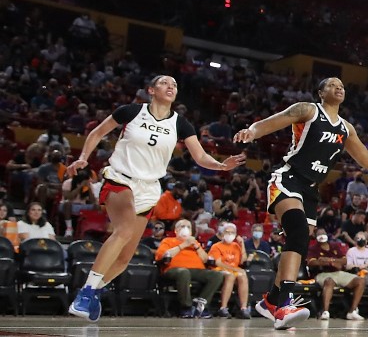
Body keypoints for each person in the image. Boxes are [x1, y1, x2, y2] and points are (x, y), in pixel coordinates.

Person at [232, 77, 368, 330]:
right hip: (289, 177)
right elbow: (273, 121)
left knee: (300, 242)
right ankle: (283, 304)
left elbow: (366, 160)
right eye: (332, 84)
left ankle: (271, 301)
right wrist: (252, 131)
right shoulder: (309, 110)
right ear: (321, 92)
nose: (339, 87)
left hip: (311, 190)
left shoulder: (346, 128)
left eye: (342, 86)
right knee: (298, 231)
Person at [67, 75, 246, 322]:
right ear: (151, 89)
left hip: (149, 188)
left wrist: (221, 166)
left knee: (124, 258)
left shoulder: (180, 124)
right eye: (164, 83)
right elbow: (97, 132)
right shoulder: (130, 111)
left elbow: (201, 157)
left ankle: (96, 290)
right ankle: (86, 292)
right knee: (124, 229)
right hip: (121, 178)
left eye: (175, 84)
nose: (171, 86)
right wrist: (84, 158)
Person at [155, 218, 226, 318]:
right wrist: (183, 245)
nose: (186, 229)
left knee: (217, 275)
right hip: (174, 269)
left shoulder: (195, 243)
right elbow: (164, 255)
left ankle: (200, 305)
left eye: (188, 227)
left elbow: (206, 260)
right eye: (182, 227)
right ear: (176, 230)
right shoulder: (168, 241)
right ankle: (186, 307)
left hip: (196, 270)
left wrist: (196, 247)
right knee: (184, 272)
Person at [307, 226, 365, 321]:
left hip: (338, 273)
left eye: (323, 234)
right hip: (323, 274)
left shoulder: (335, 246)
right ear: (315, 236)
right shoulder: (313, 248)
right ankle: (325, 312)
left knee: (360, 280)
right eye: (319, 234)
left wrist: (329, 260)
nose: (321, 236)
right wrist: (333, 262)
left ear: (327, 235)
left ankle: (352, 311)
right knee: (329, 281)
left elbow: (345, 260)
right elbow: (312, 262)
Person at [208, 222, 251, 318]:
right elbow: (218, 263)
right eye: (227, 232)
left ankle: (243, 308)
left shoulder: (236, 246)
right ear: (223, 233)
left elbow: (242, 261)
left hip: (234, 270)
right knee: (230, 275)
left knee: (242, 276)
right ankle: (223, 308)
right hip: (219, 270)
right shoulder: (216, 246)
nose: (230, 234)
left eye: (232, 233)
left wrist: (242, 244)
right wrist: (235, 269)